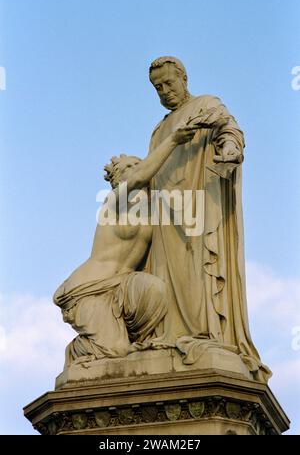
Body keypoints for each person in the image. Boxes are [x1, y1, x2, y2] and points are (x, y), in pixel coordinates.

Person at [146, 56, 271, 382]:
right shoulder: (159, 130)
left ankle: (204, 335)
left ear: (184, 78)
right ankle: (168, 337)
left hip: (199, 206)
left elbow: (229, 129)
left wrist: (231, 148)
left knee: (199, 272)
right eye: (157, 87)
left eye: (168, 84)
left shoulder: (205, 104)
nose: (163, 91)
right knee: (163, 278)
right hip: (164, 216)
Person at [53, 123, 198, 368]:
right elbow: (142, 176)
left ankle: (126, 336)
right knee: (116, 352)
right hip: (89, 289)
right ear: (117, 179)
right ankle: (80, 348)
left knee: (156, 289)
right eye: (129, 167)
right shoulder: (114, 200)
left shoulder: (153, 209)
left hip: (124, 287)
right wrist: (173, 139)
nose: (137, 169)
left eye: (138, 164)